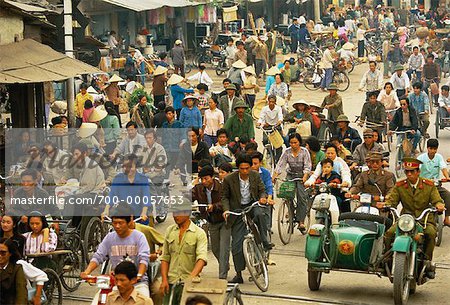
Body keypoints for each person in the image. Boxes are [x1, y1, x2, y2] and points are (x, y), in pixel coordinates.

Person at [377, 158, 445, 278]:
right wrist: (386, 205)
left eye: (412, 171)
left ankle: (427, 262)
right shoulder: (400, 185)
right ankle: (387, 260)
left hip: (423, 220)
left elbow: (437, 200)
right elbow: (392, 200)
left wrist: (439, 206)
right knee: (389, 233)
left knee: (431, 233)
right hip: (405, 219)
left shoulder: (429, 185)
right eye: (407, 171)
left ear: (418, 172)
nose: (409, 174)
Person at [82, 204, 150, 297]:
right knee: (98, 300)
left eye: (120, 223)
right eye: (115, 223)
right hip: (116, 283)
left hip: (138, 284)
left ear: (129, 222)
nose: (117, 226)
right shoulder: (110, 238)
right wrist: (87, 272)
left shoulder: (139, 237)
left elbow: (144, 259)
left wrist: (139, 275)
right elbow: (98, 256)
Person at [221, 154, 267, 283]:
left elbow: (262, 189)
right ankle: (238, 273)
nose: (245, 171)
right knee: (236, 245)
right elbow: (224, 197)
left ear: (251, 167)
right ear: (238, 168)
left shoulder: (255, 176)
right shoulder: (229, 179)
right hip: (237, 210)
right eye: (242, 169)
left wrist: (262, 198)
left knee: (259, 215)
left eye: (247, 168)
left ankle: (264, 241)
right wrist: (226, 210)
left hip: (252, 206)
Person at [159, 203, 207, 305]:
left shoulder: (199, 233)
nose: (175, 216)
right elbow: (165, 257)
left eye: (179, 212)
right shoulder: (170, 231)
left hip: (190, 285)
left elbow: (201, 259)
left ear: (188, 213)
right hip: (171, 282)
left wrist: (190, 278)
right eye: (174, 212)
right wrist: (164, 280)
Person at [191, 166, 230, 280]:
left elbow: (226, 201)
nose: (204, 181)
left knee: (224, 248)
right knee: (215, 249)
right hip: (211, 221)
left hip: (225, 221)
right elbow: (189, 196)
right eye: (202, 179)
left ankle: (222, 276)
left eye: (206, 178)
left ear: (212, 177)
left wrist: (215, 206)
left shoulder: (222, 187)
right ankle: (224, 265)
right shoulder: (198, 188)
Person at [273, 133, 311, 232]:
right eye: (291, 143)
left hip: (302, 176)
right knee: (287, 194)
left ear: (299, 143)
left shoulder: (304, 152)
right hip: (291, 175)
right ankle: (290, 211)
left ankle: (301, 221)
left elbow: (307, 166)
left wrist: (305, 176)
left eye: (295, 143)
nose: (293, 145)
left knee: (302, 197)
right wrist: (275, 176)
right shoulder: (287, 152)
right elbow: (280, 164)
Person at [105, 154, 151, 223]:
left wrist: (144, 212)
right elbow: (111, 196)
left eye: (130, 167)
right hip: (123, 214)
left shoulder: (143, 179)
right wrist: (106, 210)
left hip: (139, 216)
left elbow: (146, 197)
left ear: (136, 167)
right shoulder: (118, 178)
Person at [417, 139, 450, 226]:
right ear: (427, 148)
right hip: (423, 186)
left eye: (435, 149)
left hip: (435, 186)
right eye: (431, 149)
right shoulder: (421, 158)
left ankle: (447, 218)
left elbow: (443, 167)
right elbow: (417, 170)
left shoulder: (439, 157)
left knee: (447, 195)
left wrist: (447, 177)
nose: (433, 151)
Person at [0, 238, 27, 305]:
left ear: (10, 253)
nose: (0, 256)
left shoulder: (17, 269)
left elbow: (21, 294)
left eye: (3, 253)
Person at [161, 107, 185, 182]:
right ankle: (166, 179)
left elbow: (183, 134)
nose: (168, 115)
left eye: (170, 114)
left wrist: (183, 141)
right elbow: (162, 136)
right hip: (167, 148)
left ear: (173, 114)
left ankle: (184, 180)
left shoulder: (179, 124)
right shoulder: (164, 125)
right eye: (167, 114)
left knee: (180, 164)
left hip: (177, 148)